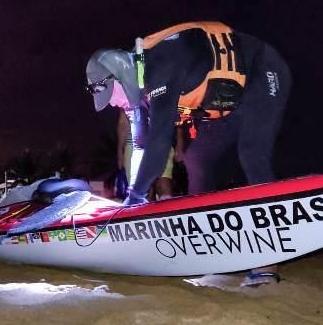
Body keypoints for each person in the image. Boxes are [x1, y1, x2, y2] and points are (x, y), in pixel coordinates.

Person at [85, 21, 291, 286]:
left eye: (111, 96)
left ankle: (267, 263)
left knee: (252, 152)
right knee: (198, 159)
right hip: (229, 103)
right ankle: (207, 246)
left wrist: (134, 198)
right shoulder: (143, 85)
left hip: (263, 72)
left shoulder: (161, 65)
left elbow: (159, 144)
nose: (113, 104)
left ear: (120, 76)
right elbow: (146, 141)